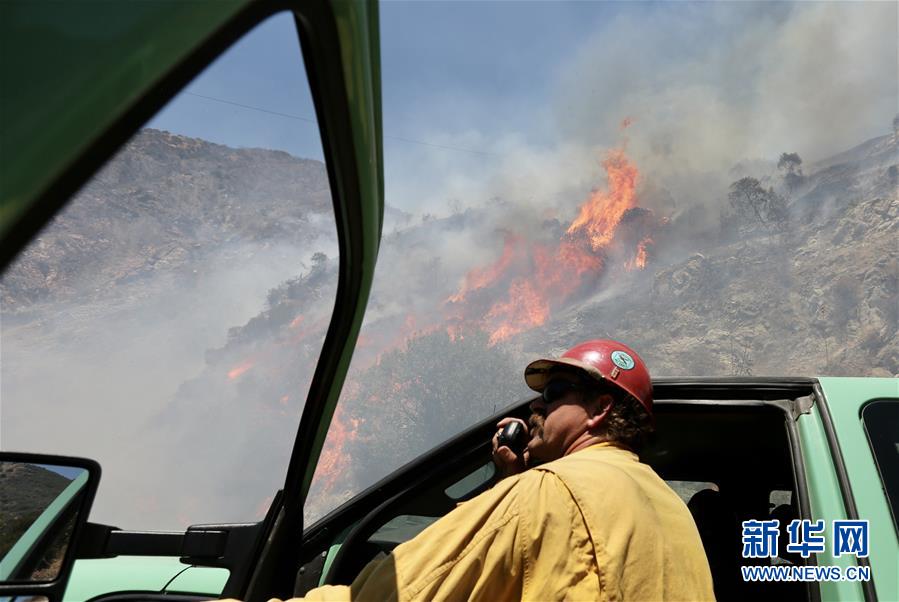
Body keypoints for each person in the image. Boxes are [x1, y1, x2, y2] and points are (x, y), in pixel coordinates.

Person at [294, 339, 715, 601]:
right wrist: (514, 483)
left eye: (552, 393)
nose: (535, 406)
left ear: (599, 409)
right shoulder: (671, 510)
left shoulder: (549, 493)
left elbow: (400, 591)